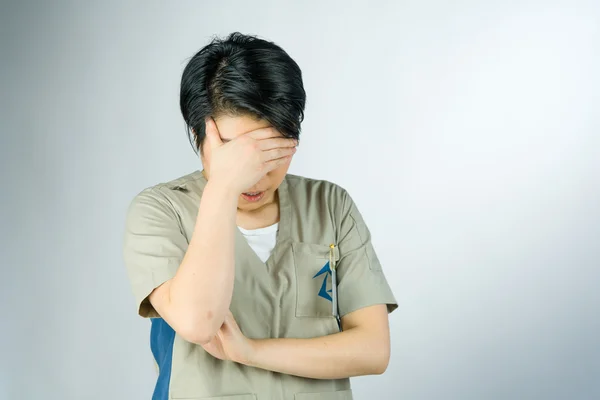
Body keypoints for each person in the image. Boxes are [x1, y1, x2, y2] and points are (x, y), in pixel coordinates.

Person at [123, 32, 397, 400]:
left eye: (269, 153)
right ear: (198, 135)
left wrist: (251, 352)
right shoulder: (161, 210)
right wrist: (222, 187)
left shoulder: (330, 205)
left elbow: (373, 350)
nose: (253, 175)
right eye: (237, 153)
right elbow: (197, 322)